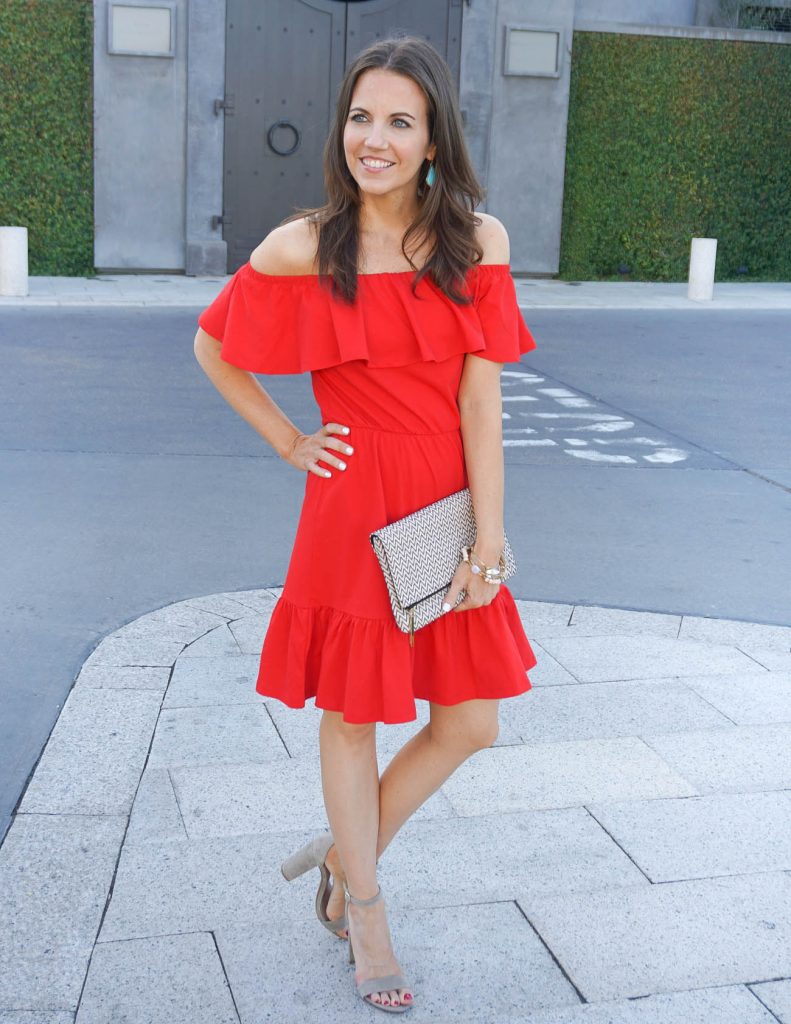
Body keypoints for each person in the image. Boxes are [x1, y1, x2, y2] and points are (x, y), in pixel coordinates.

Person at [194, 34, 538, 1015]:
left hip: (443, 499)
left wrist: (489, 535)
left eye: (398, 121)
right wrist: (288, 441)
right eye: (359, 118)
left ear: (433, 139)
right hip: (349, 506)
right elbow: (213, 346)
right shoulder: (303, 246)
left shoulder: (480, 243)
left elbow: (482, 404)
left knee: (470, 720)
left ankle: (347, 854)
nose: (372, 139)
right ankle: (365, 907)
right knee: (351, 718)